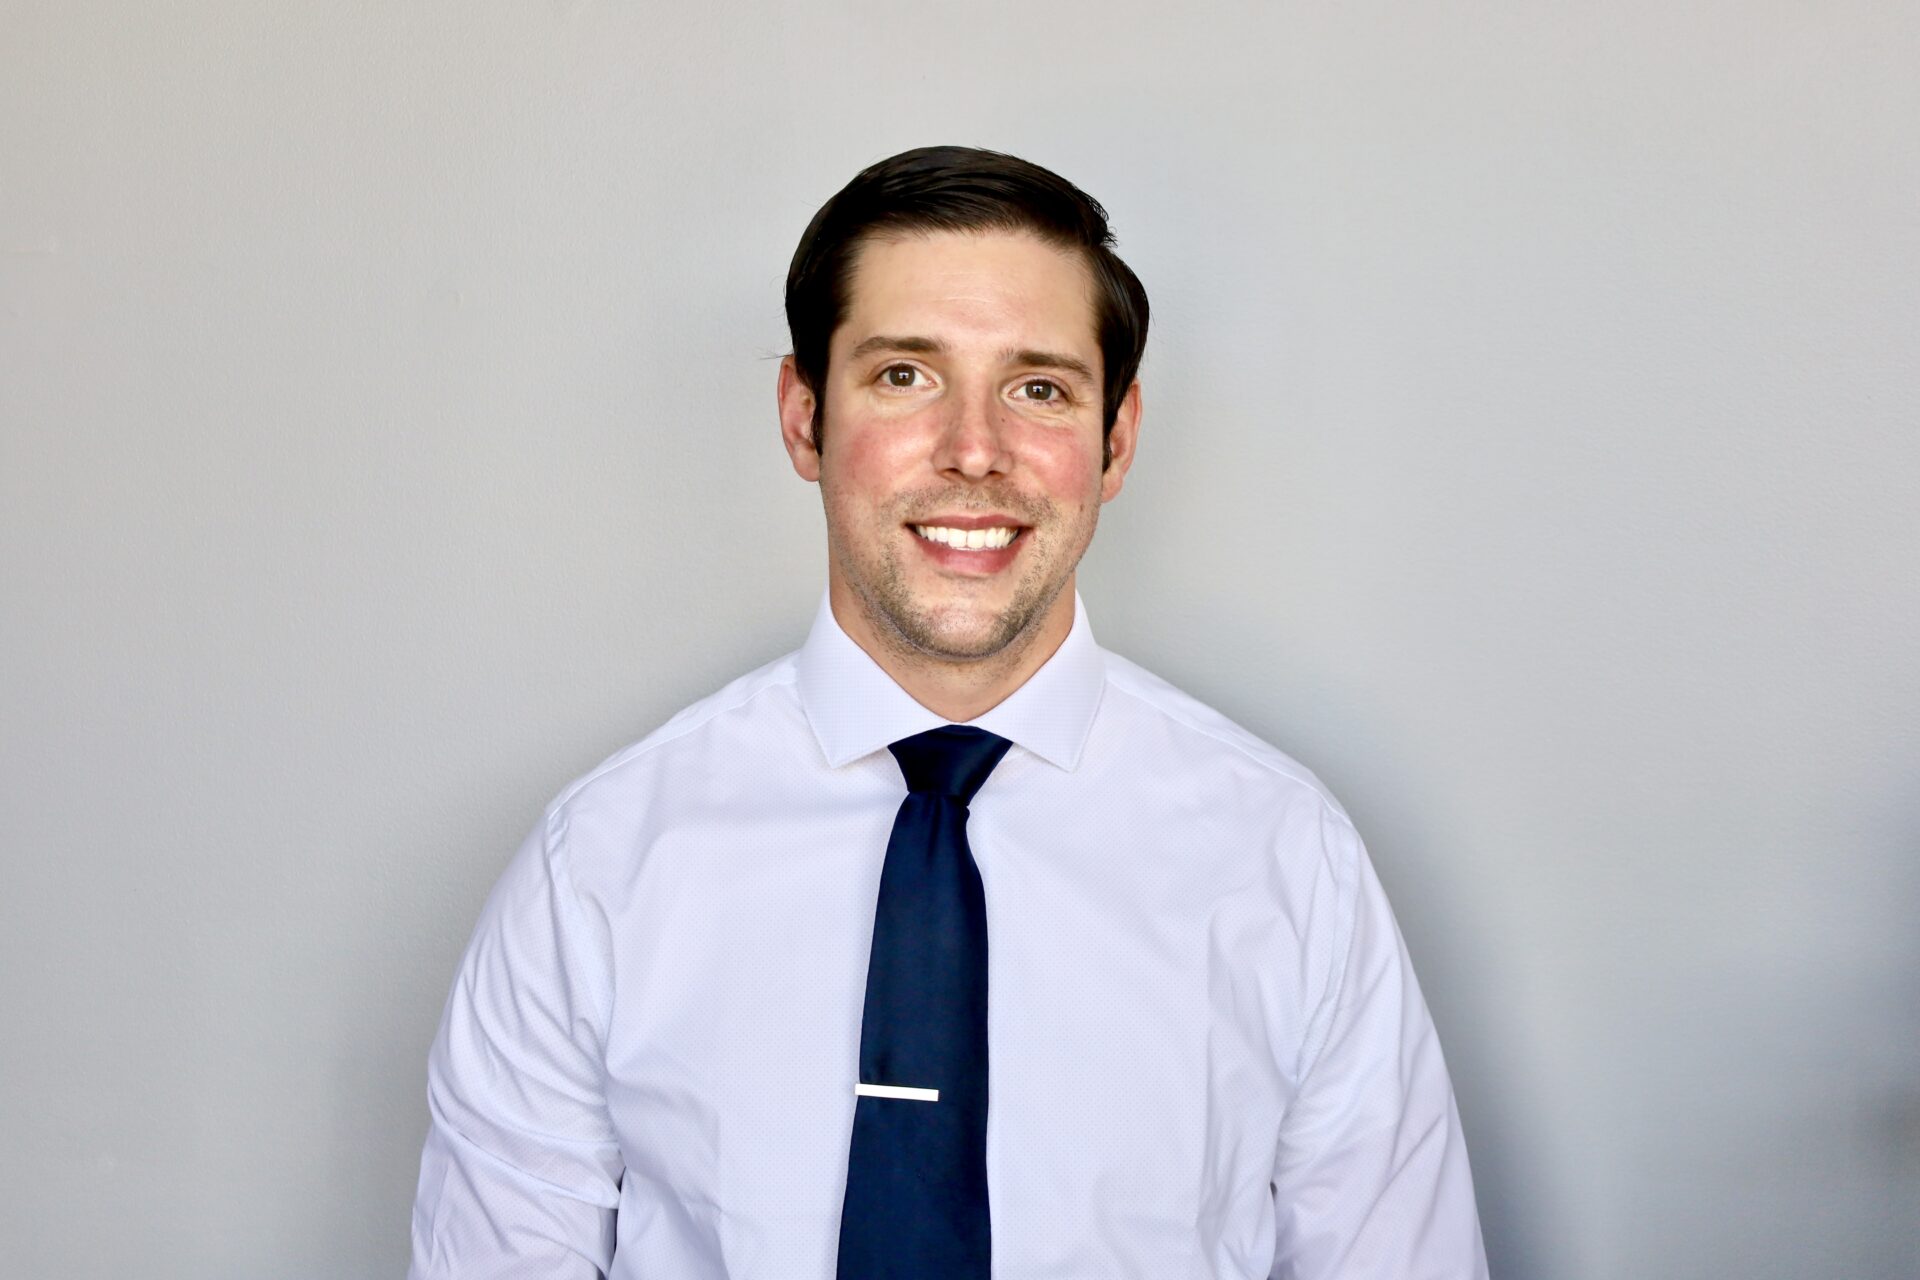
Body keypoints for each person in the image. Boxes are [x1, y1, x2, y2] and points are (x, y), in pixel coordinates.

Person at [407, 145, 1489, 1279]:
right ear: (802, 415)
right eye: (906, 376)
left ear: (1115, 440)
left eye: (1039, 388)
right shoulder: (604, 866)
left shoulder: (1283, 857)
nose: (976, 452)